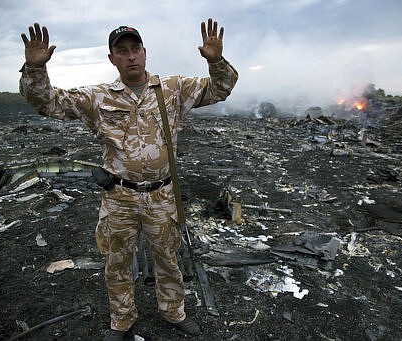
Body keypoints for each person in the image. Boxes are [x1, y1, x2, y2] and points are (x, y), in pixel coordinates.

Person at [19, 19, 238, 340]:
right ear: (112, 59)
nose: (131, 56)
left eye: (135, 49)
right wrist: (34, 68)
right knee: (117, 262)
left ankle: (173, 311)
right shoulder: (98, 97)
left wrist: (215, 60)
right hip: (118, 198)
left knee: (168, 258)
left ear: (145, 53)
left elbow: (221, 88)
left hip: (162, 196)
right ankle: (122, 320)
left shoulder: (173, 90)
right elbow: (47, 103)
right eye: (122, 51)